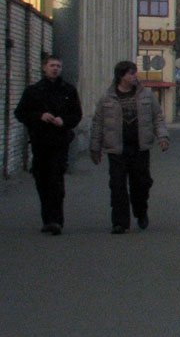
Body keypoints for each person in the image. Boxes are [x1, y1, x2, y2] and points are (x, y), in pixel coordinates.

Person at [89, 61, 169, 234]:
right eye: (131, 74)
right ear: (121, 76)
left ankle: (141, 211)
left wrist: (162, 137)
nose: (135, 77)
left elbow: (157, 118)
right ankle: (120, 222)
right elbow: (98, 124)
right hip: (117, 149)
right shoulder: (107, 98)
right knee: (117, 186)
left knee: (141, 184)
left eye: (135, 73)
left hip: (139, 148)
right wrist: (94, 148)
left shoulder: (146, 95)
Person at [14, 54, 83, 235]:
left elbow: (76, 115)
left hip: (60, 141)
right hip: (40, 141)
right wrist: (39, 116)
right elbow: (20, 113)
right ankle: (47, 218)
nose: (55, 69)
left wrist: (64, 121)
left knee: (56, 180)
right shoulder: (33, 91)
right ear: (44, 68)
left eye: (58, 66)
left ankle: (56, 220)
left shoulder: (68, 90)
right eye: (52, 65)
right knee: (43, 180)